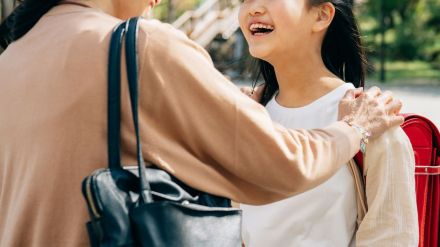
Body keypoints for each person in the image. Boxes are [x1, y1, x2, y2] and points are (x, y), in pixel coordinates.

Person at [0, 0, 403, 246]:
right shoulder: (140, 47)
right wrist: (355, 129)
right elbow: (282, 165)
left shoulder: (12, 60)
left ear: (323, 15)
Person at [237, 0, 418, 246]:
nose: (253, 8)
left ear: (322, 15)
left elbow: (392, 237)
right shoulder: (251, 116)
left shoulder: (374, 125)